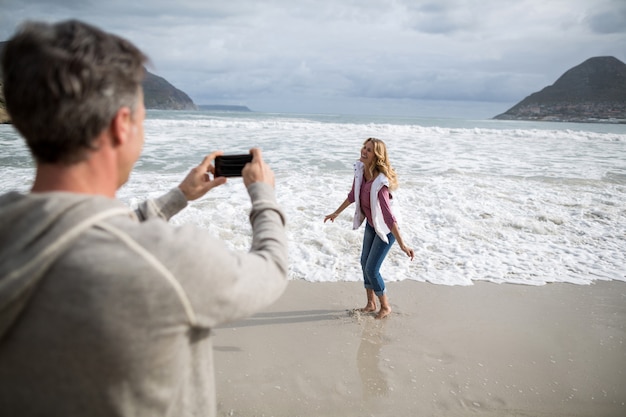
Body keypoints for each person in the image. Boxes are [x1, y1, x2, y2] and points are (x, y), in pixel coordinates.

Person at [0, 20, 287, 417]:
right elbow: (270, 269)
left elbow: (78, 229)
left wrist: (179, 197)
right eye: (142, 119)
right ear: (121, 126)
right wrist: (263, 194)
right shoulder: (167, 262)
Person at [324, 137, 414, 319]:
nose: (364, 151)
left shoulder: (380, 183)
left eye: (369, 150)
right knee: (364, 263)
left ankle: (385, 306)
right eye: (364, 147)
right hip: (372, 225)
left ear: (377, 156)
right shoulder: (361, 171)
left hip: (386, 230)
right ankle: (370, 304)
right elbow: (352, 195)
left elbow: (389, 217)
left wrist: (403, 244)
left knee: (372, 269)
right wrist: (336, 213)